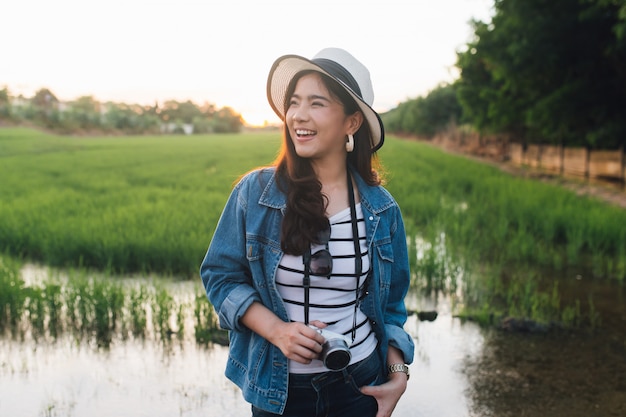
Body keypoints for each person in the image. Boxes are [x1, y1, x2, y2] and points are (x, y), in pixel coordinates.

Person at [200, 47, 414, 417]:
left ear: (351, 123)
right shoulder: (256, 193)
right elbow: (220, 276)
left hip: (359, 380)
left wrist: (397, 376)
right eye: (294, 102)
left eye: (317, 103)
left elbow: (392, 307)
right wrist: (277, 330)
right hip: (279, 388)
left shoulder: (381, 210)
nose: (298, 115)